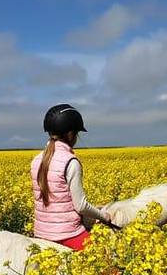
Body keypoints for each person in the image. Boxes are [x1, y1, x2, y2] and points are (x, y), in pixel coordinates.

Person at [30, 104, 117, 249]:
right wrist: (103, 216)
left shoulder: (36, 160)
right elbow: (81, 206)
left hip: (40, 233)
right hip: (67, 235)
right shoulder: (70, 162)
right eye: (76, 133)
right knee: (106, 265)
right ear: (71, 134)